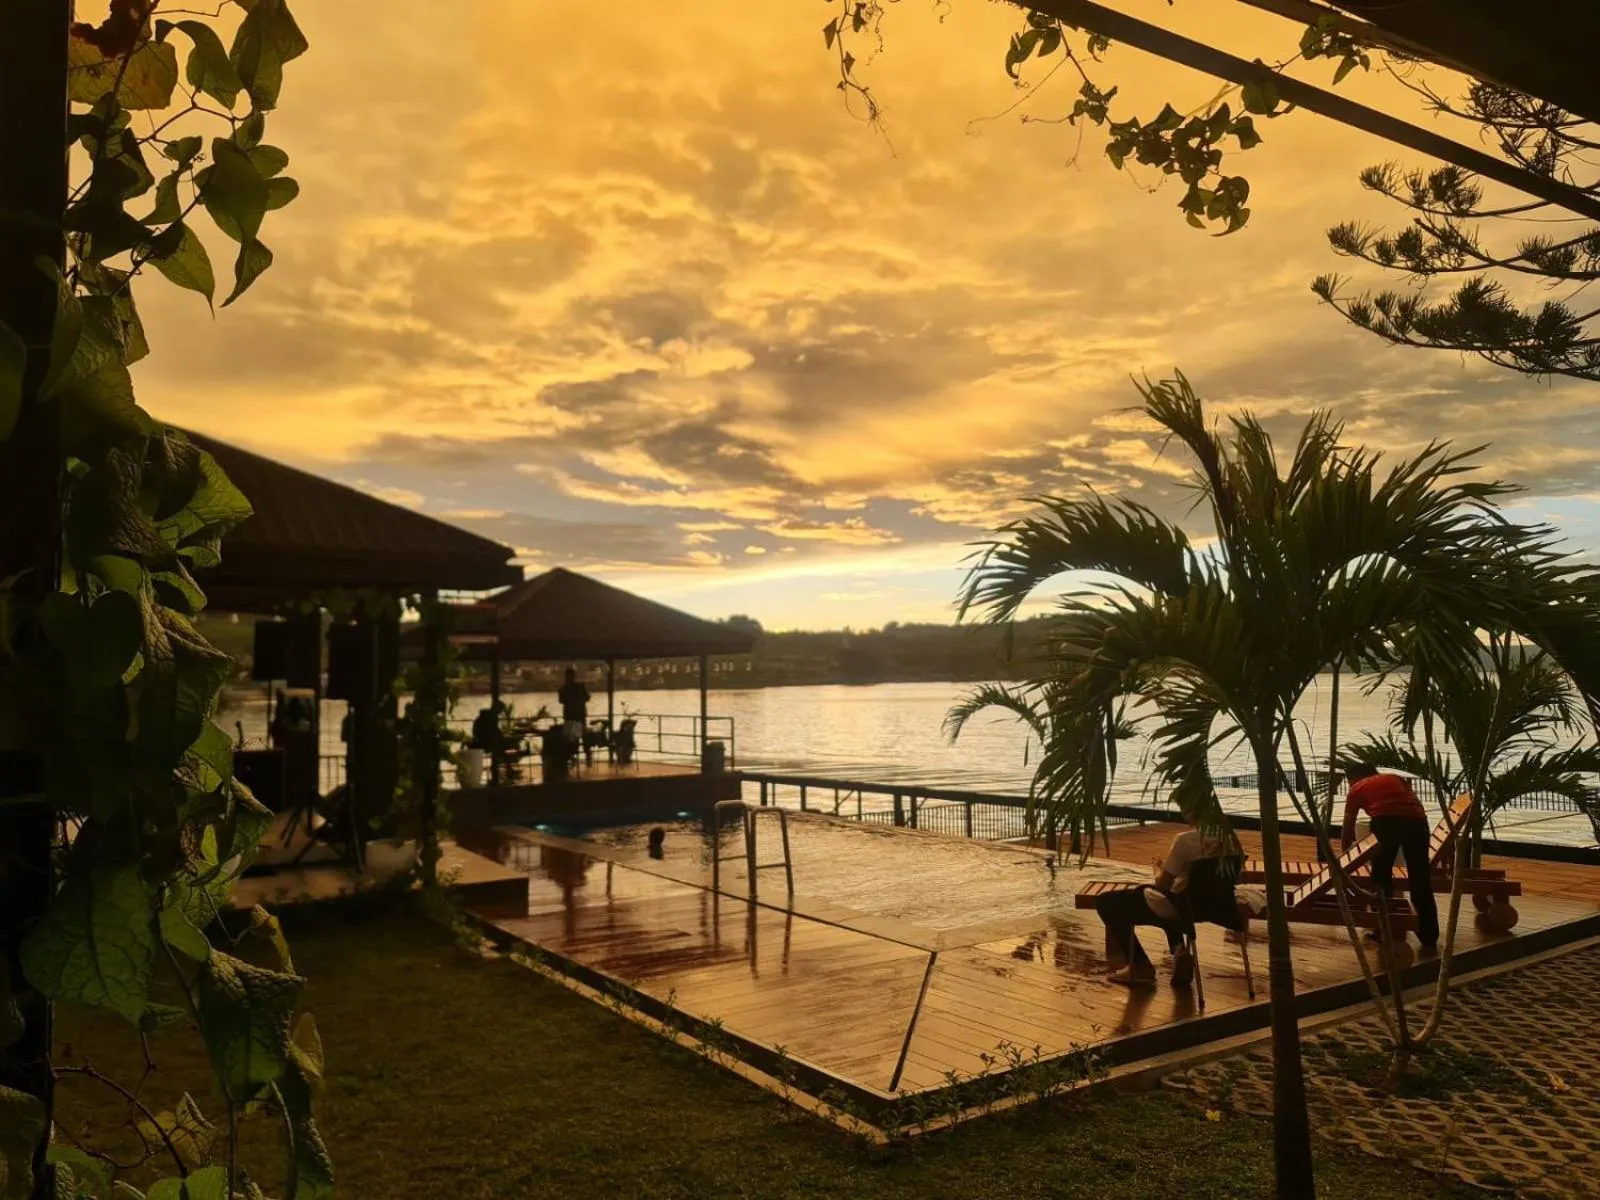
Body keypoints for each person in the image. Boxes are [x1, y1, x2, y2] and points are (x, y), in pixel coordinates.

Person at [1095, 823, 1261, 987]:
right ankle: (1179, 950)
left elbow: (1163, 885)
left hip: (1183, 908)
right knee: (1171, 899)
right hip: (1217, 907)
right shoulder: (1229, 838)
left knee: (1107, 902)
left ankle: (1140, 965)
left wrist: (1158, 870)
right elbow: (1238, 878)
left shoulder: (1185, 840)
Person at [1341, 762, 1439, 953]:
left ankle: (1383, 929)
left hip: (1386, 822)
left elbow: (1348, 827)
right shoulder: (1395, 778)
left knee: (1381, 876)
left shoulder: (1356, 788)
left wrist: (1345, 857)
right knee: (1420, 878)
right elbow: (1412, 802)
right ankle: (1429, 936)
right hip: (1418, 823)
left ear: (1353, 778)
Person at [557, 667, 590, 758]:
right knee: (583, 737)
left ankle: (572, 757)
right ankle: (587, 755)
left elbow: (561, 700)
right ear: (574, 676)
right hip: (580, 715)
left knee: (572, 739)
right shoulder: (581, 687)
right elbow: (587, 698)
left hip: (570, 716)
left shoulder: (563, 689)